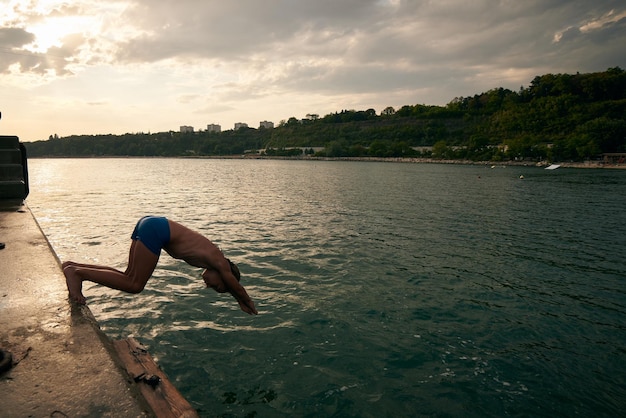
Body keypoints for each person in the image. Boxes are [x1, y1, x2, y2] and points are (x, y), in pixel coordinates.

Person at [62, 216, 258, 315]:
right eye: (217, 285)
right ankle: (78, 273)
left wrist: (236, 295)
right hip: (157, 230)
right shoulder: (220, 261)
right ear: (224, 274)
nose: (209, 286)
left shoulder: (210, 257)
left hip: (152, 223)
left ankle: (73, 266)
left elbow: (230, 283)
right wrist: (244, 300)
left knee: (128, 275)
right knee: (134, 285)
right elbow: (234, 284)